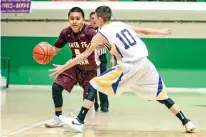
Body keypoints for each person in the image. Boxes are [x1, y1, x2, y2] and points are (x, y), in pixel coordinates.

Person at [49, 6, 195, 133]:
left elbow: (84, 55)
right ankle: (186, 121)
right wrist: (162, 32)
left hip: (129, 66)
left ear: (100, 19)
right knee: (162, 96)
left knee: (93, 83)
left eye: (94, 18)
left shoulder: (101, 33)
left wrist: (63, 67)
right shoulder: (120, 24)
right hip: (146, 64)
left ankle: (79, 121)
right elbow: (143, 31)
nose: (93, 21)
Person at [44, 7, 98, 128]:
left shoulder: (90, 32)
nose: (74, 21)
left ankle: (88, 108)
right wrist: (46, 51)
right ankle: (58, 117)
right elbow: (55, 50)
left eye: (78, 19)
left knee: (88, 99)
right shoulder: (65, 33)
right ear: (68, 19)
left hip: (91, 70)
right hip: (75, 66)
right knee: (56, 87)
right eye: (71, 18)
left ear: (83, 20)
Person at [89, 11, 112, 112]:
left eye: (95, 18)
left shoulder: (103, 30)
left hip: (102, 59)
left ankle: (104, 106)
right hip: (90, 59)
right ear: (89, 20)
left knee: (102, 83)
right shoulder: (87, 31)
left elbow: (110, 44)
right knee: (92, 83)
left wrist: (112, 58)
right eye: (92, 18)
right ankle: (94, 105)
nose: (94, 20)